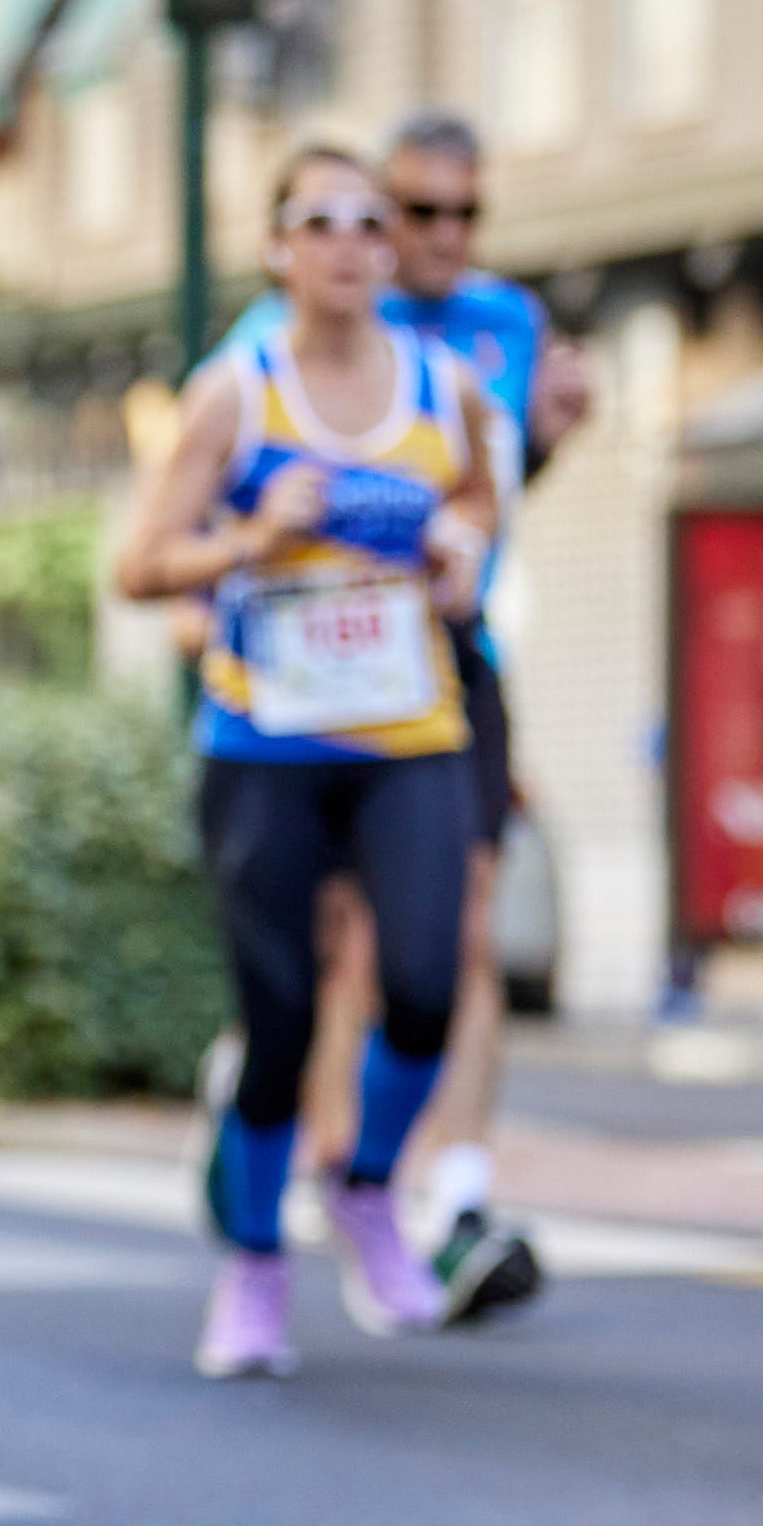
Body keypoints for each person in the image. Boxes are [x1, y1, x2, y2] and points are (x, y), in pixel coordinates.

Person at [114, 146, 498, 1378]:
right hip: (265, 745)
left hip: (408, 734)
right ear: (277, 250)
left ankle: (366, 1185)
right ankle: (252, 1270)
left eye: (368, 222)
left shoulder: (443, 387)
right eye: (317, 221)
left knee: (427, 985)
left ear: (391, 250)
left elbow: (478, 504)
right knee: (277, 1024)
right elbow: (138, 564)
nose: (346, 243)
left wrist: (458, 556)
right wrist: (246, 540)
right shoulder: (235, 394)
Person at [211, 110, 589, 1319]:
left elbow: (487, 486)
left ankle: (438, 1191)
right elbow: (186, 520)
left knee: (452, 933)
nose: (439, 235)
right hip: (291, 685)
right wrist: (231, 577)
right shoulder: (264, 348)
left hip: (441, 665)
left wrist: (501, 502)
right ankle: (309, 1158)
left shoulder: (502, 327)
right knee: (336, 952)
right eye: (415, 210)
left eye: (460, 214)